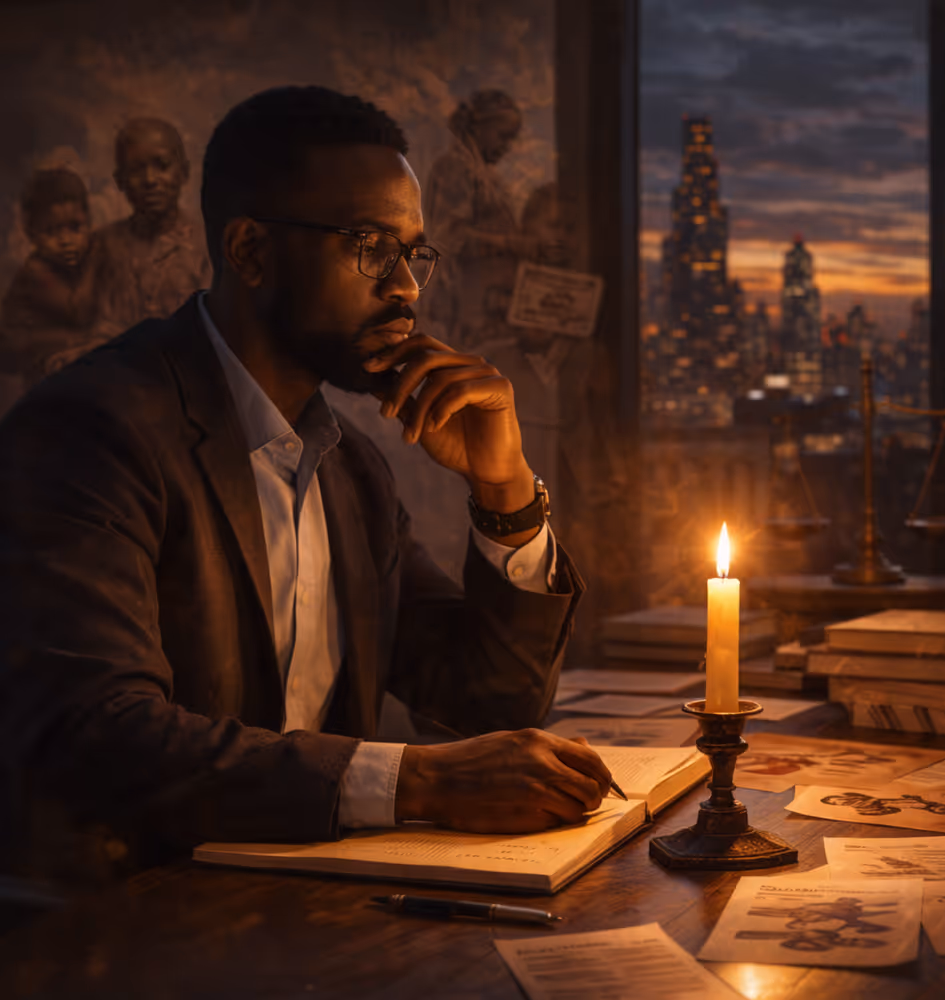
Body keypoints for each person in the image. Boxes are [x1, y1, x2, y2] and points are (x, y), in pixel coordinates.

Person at [0, 86, 608, 879]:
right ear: (250, 251)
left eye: (413, 252)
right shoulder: (90, 429)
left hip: (304, 920)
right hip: (123, 936)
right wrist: (413, 780)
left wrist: (505, 490)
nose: (407, 287)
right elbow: (95, 737)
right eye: (371, 245)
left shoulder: (350, 465)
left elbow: (488, 700)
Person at [422, 90, 529, 350]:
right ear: (479, 127)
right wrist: (510, 243)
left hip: (486, 299)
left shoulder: (485, 174)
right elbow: (450, 238)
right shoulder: (454, 168)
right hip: (464, 299)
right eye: (502, 136)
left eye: (511, 139)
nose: (507, 146)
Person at [93, 117, 211, 336]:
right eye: (136, 169)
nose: (149, 179)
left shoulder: (208, 245)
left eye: (162, 166)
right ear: (120, 180)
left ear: (184, 172)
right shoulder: (100, 246)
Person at [0, 168, 102, 386]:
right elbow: (79, 311)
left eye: (75, 227)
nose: (65, 240)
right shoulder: (36, 270)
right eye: (51, 231)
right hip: (30, 354)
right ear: (31, 234)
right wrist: (94, 257)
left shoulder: (73, 264)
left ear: (89, 221)